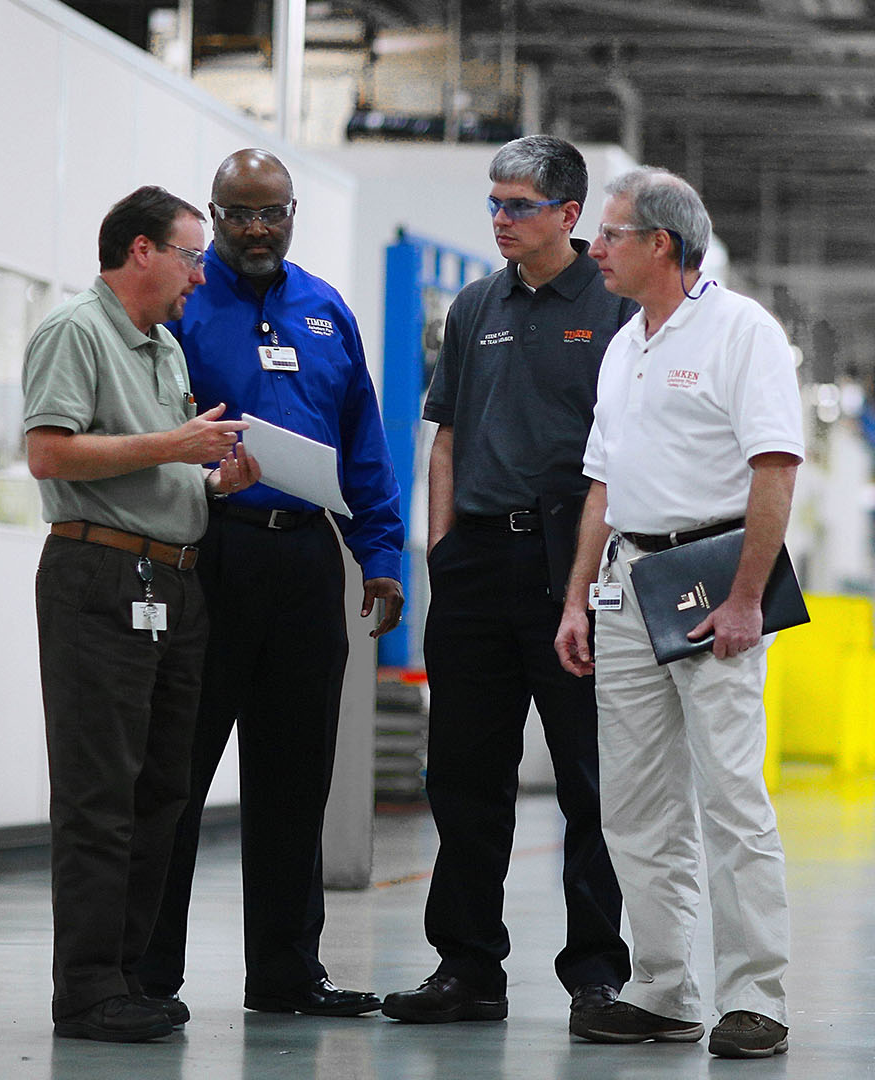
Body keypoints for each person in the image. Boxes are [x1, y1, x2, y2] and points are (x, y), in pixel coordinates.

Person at [135, 149, 405, 1019]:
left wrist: (382, 554)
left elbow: (363, 440)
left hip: (302, 559)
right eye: (240, 214)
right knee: (176, 772)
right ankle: (146, 975)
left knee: (296, 779)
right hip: (208, 555)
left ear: (293, 215)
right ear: (214, 216)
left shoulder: (326, 311)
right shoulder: (184, 305)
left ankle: (288, 974)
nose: (258, 230)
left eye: (274, 213)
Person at [380, 135, 635, 1028]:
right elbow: (444, 436)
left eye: (518, 205)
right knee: (463, 774)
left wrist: (592, 574)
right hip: (479, 564)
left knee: (588, 782)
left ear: (569, 214)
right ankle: (467, 968)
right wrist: (444, 551)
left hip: (573, 565)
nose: (500, 219)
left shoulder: (614, 307)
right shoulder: (474, 305)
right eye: (493, 203)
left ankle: (596, 976)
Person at [552, 167, 802, 1059]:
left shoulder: (742, 334)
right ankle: (663, 987)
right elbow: (603, 485)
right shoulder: (626, 344)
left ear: (661, 243)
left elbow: (774, 470)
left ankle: (755, 995)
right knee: (636, 804)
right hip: (626, 583)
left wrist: (745, 597)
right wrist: (580, 595)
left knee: (731, 794)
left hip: (711, 580)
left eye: (610, 234)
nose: (594, 248)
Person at [23, 185, 261, 1042]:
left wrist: (208, 478)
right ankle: (84, 990)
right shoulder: (76, 332)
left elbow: (157, 467)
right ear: (141, 253)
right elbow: (50, 452)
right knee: (99, 792)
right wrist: (175, 446)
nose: (203, 274)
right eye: (193, 255)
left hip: (172, 585)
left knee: (161, 789)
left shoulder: (161, 346)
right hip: (100, 579)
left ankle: (125, 974)